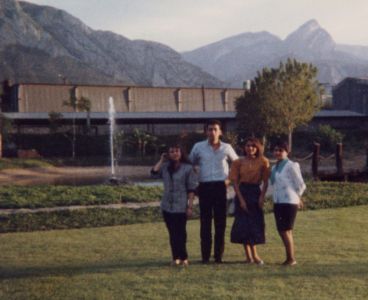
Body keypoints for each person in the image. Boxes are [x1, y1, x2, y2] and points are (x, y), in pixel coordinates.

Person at [189, 120, 238, 263]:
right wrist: (195, 179)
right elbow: (189, 164)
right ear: (206, 131)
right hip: (204, 187)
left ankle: (218, 256)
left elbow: (237, 164)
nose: (212, 132)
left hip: (220, 186)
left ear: (220, 131)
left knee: (220, 223)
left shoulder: (227, 147)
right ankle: (205, 257)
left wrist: (229, 180)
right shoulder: (198, 147)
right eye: (210, 129)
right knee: (205, 223)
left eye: (215, 129)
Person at [151, 144, 198, 266]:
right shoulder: (165, 167)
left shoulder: (188, 168)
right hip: (167, 205)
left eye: (177, 151)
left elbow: (191, 189)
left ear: (181, 153)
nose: (174, 153)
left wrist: (190, 206)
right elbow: (153, 173)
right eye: (171, 151)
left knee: (181, 233)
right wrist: (161, 160)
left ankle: (184, 257)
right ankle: (175, 257)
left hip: (181, 205)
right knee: (172, 233)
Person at [229, 138, 270, 265]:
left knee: (254, 225)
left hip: (255, 192)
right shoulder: (237, 162)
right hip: (242, 192)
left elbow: (266, 182)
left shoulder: (263, 161)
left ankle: (255, 255)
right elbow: (234, 182)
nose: (250, 148)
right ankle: (249, 257)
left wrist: (262, 197)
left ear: (258, 148)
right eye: (247, 145)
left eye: (253, 146)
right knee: (243, 226)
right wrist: (241, 200)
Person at [270, 140, 306, 266]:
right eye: (275, 150)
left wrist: (298, 197)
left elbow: (301, 184)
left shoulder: (292, 165)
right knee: (282, 230)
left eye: (281, 150)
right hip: (278, 201)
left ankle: (291, 258)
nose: (277, 152)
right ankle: (289, 257)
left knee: (285, 230)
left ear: (287, 151)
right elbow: (271, 185)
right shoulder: (274, 167)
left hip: (289, 201)